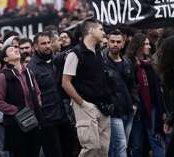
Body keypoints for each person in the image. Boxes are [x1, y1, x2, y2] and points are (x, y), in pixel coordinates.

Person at [62, 19, 112, 157]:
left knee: (103, 150)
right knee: (91, 148)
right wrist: (83, 104)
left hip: (103, 106)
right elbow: (66, 82)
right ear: (91, 31)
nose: (104, 32)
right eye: (101, 29)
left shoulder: (99, 53)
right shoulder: (74, 54)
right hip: (85, 106)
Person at [0, 45, 42, 157]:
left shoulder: (28, 72)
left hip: (33, 120)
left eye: (16, 48)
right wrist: (17, 110)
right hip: (16, 124)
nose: (16, 50)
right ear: (6, 59)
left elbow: (37, 92)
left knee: (34, 152)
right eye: (11, 50)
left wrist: (38, 103)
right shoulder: (3, 76)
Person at [126, 33, 165, 157]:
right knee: (137, 143)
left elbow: (156, 89)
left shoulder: (149, 64)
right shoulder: (129, 64)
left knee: (155, 138)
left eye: (149, 43)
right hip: (136, 108)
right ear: (138, 46)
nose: (149, 46)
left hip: (151, 107)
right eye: (146, 44)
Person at [28, 32, 65, 157]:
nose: (47, 46)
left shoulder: (57, 61)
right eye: (43, 43)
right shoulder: (31, 68)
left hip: (64, 115)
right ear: (35, 47)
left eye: (49, 42)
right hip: (47, 119)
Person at [102, 30, 136, 157]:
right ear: (108, 42)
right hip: (113, 111)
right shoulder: (101, 62)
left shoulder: (127, 62)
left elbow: (133, 85)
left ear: (123, 43)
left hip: (128, 109)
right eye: (112, 41)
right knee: (121, 144)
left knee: (120, 144)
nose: (115, 44)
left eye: (118, 42)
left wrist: (135, 104)